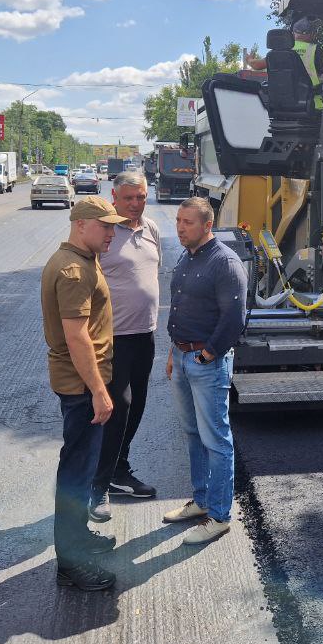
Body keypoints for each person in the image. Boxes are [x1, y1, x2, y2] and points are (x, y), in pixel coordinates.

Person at [40, 196, 128, 591]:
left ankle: (77, 542)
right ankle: (71, 563)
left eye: (113, 226)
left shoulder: (83, 259)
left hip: (81, 381)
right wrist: (98, 391)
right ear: (80, 225)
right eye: (105, 226)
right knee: (76, 474)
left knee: (81, 466)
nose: (112, 233)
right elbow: (77, 338)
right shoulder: (74, 270)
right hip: (80, 385)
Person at [162, 197, 248, 545]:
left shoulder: (224, 263)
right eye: (179, 221)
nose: (180, 228)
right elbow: (184, 308)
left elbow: (234, 319)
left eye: (188, 222)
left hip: (206, 362)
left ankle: (219, 515)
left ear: (207, 225)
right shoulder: (188, 256)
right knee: (192, 433)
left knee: (216, 439)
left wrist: (207, 354)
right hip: (182, 358)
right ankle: (200, 500)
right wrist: (173, 352)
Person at [88, 171, 162, 525]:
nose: (135, 204)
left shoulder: (151, 229)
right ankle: (97, 486)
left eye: (141, 197)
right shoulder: (104, 234)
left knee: (138, 406)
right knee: (117, 408)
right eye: (129, 198)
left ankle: (119, 470)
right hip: (112, 337)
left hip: (144, 334)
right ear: (114, 197)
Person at [245, 17, 323, 109]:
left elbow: (256, 65)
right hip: (312, 105)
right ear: (311, 34)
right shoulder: (316, 50)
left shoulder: (277, 54)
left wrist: (249, 59)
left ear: (293, 34)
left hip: (281, 106)